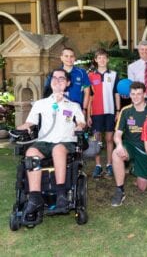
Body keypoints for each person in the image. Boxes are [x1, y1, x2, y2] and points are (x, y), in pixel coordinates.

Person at [17, 68, 85, 224]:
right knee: (31, 153)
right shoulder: (41, 104)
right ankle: (35, 198)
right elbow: (30, 123)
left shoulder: (73, 106)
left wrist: (80, 127)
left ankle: (61, 193)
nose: (57, 80)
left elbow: (81, 122)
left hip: (65, 142)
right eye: (54, 78)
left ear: (67, 83)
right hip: (44, 141)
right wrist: (17, 129)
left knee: (58, 149)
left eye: (62, 78)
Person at [110, 82, 147, 207]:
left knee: (142, 187)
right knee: (116, 154)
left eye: (139, 94)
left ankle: (136, 169)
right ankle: (120, 190)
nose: (135, 97)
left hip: (146, 150)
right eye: (133, 94)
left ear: (145, 94)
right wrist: (119, 145)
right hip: (130, 145)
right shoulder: (126, 110)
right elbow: (117, 134)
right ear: (129, 94)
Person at [88, 49, 121, 178]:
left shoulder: (113, 74)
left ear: (107, 59)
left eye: (104, 58)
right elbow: (88, 96)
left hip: (110, 111)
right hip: (95, 112)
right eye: (99, 57)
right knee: (96, 139)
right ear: (96, 60)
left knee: (109, 139)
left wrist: (118, 110)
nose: (102, 60)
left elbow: (117, 93)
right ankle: (97, 165)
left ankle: (109, 164)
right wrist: (88, 114)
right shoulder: (90, 76)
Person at [44, 47, 90, 115]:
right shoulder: (55, 73)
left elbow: (87, 92)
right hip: (59, 109)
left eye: (71, 56)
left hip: (76, 109)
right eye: (66, 56)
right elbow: (47, 92)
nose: (69, 59)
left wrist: (84, 109)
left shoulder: (82, 73)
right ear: (61, 58)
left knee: (77, 125)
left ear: (74, 58)